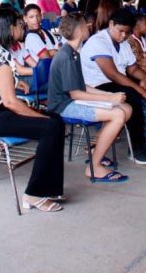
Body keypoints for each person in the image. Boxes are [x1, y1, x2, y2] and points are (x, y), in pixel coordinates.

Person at [0, 7, 66, 212]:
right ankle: (34, 194)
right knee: (50, 126)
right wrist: (39, 116)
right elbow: (11, 103)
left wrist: (11, 81)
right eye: (19, 24)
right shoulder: (0, 55)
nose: (22, 28)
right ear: (10, 28)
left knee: (56, 119)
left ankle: (51, 188)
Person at [47, 13, 131, 182]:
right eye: (85, 25)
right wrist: (109, 100)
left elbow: (82, 86)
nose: (88, 27)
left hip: (73, 100)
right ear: (79, 30)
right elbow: (75, 93)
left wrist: (109, 95)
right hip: (63, 106)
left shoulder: (74, 52)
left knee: (126, 109)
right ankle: (94, 166)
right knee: (118, 115)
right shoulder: (67, 56)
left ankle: (95, 150)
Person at [80, 8, 146, 165]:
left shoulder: (123, 43)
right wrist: (142, 91)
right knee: (132, 96)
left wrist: (145, 79)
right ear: (111, 24)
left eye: (127, 33)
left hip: (113, 83)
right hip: (95, 87)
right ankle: (136, 148)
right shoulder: (98, 42)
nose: (123, 36)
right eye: (120, 31)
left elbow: (133, 69)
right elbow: (113, 74)